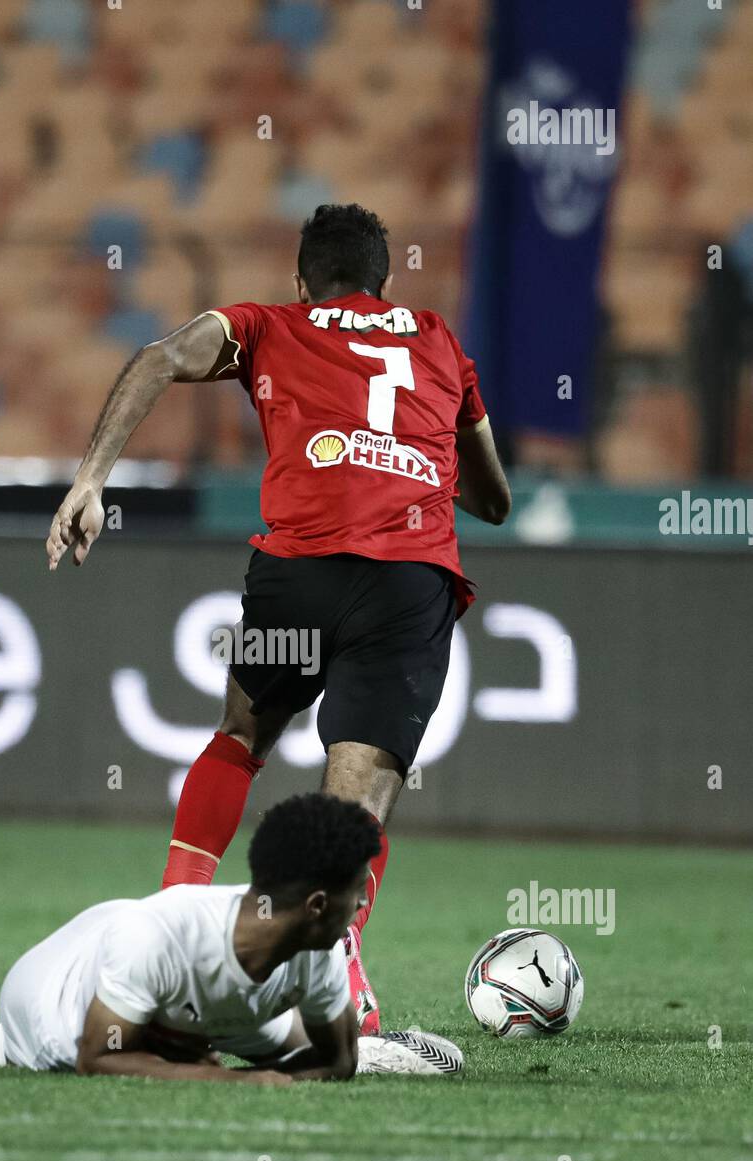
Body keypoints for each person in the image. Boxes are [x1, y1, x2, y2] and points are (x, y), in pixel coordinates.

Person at [45, 204, 511, 1034]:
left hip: (296, 575)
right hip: (408, 583)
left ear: (303, 282)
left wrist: (90, 480)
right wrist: (416, 458)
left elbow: (157, 359)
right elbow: (496, 500)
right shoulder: (440, 341)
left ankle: (172, 924)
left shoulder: (266, 325)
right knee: (358, 798)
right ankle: (341, 981)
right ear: (384, 282)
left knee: (240, 736)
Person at [0, 794, 461, 1082]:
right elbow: (96, 1060)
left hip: (196, 997)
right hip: (62, 987)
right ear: (317, 903)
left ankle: (380, 1054)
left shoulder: (315, 947)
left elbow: (333, 1065)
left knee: (290, 1043)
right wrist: (230, 1084)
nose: (366, 898)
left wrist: (296, 1065)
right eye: (355, 888)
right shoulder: (161, 935)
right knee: (15, 1055)